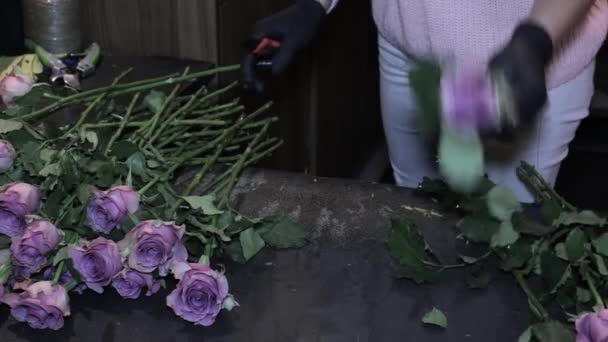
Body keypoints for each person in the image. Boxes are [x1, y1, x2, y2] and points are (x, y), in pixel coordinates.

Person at [241, 0, 608, 202]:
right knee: (416, 209)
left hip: (533, 65)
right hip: (409, 49)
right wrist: (314, 4)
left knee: (511, 238)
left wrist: (536, 41)